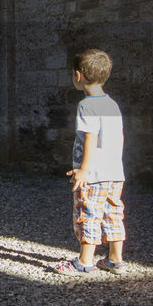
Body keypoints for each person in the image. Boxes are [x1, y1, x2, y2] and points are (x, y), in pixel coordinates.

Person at [54, 48, 126, 275]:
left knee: (88, 213)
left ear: (78, 75)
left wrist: (84, 170)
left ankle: (84, 262)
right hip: (114, 171)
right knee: (112, 213)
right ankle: (115, 259)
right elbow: (119, 135)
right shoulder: (112, 104)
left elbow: (91, 138)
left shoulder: (86, 105)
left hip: (94, 174)